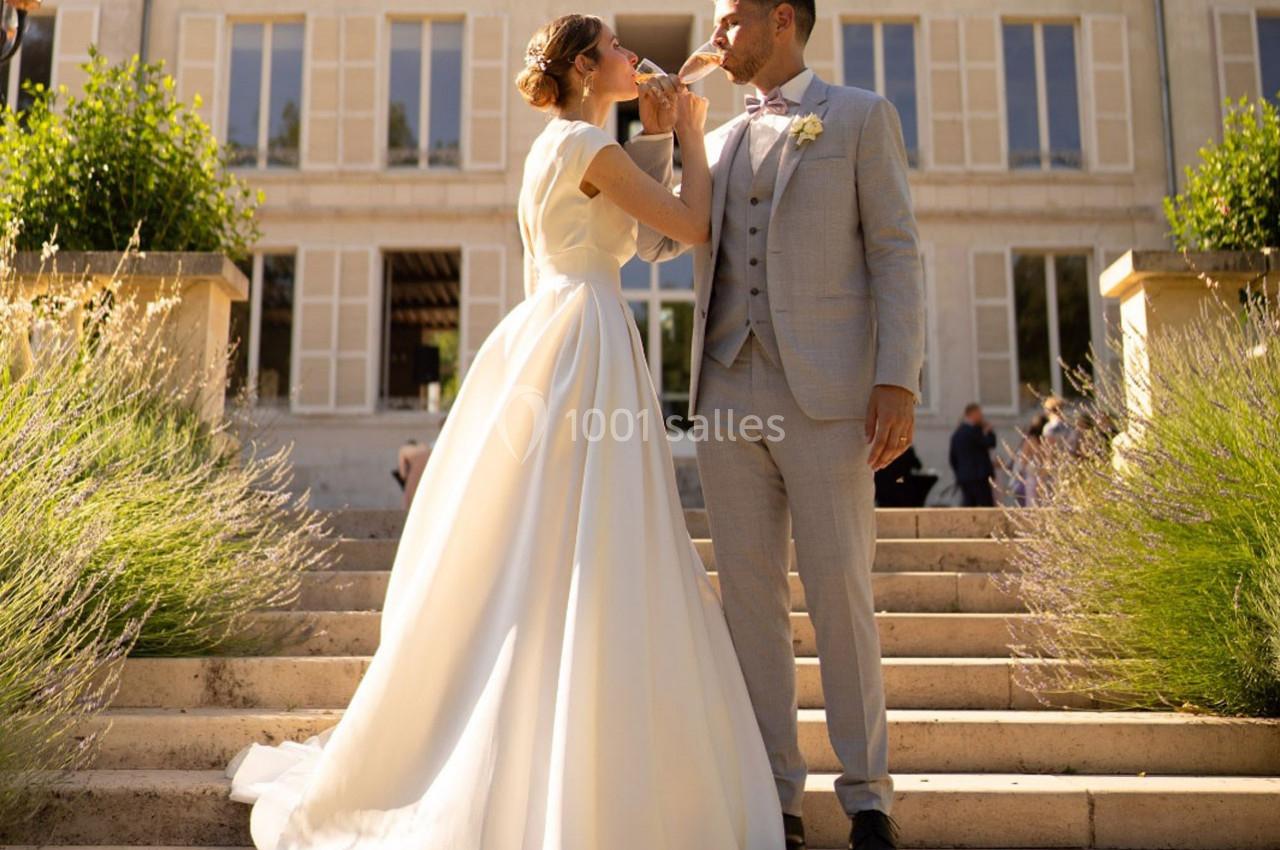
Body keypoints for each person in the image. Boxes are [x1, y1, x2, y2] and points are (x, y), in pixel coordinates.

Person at [223, 14, 783, 850]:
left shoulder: (568, 149)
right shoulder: (581, 149)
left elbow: (650, 240)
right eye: (622, 49)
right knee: (584, 538)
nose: (638, 58)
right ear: (590, 67)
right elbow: (695, 227)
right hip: (584, 339)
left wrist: (660, 137)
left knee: (557, 540)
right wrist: (693, 134)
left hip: (564, 331)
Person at [626, 1, 924, 846]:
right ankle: (775, 799)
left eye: (727, 20)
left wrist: (896, 377)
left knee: (841, 595)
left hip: (828, 397)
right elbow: (651, 242)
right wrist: (659, 134)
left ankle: (867, 796)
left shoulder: (860, 117)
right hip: (726, 391)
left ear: (780, 20)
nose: (714, 37)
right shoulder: (713, 140)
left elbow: (896, 251)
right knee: (749, 604)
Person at [948, 403, 997, 507]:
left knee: (969, 507)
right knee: (986, 506)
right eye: (979, 413)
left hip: (964, 477)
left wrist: (959, 474)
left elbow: (953, 459)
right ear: (972, 414)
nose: (981, 416)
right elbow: (990, 443)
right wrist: (989, 431)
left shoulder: (957, 434)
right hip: (979, 477)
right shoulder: (974, 431)